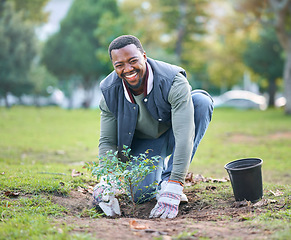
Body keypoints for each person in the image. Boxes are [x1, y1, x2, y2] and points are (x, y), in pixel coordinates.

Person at [93, 35, 213, 219]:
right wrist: (106, 180)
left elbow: (184, 136)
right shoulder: (109, 92)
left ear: (144, 56)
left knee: (201, 102)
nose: (128, 69)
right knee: (142, 195)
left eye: (133, 61)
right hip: (144, 144)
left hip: (174, 132)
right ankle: (156, 178)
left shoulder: (173, 80)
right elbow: (108, 141)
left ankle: (167, 179)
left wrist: (175, 182)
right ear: (114, 66)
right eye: (120, 65)